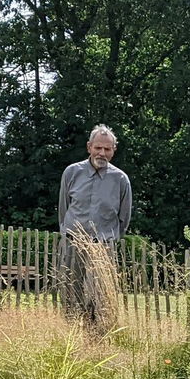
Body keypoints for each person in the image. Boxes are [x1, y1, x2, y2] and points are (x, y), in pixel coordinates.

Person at [57, 124, 133, 324]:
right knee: (70, 292)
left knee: (101, 296)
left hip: (103, 246)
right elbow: (64, 209)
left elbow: (124, 218)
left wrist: (108, 240)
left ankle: (98, 338)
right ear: (89, 147)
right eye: (98, 148)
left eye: (107, 149)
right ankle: (70, 335)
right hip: (73, 242)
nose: (102, 153)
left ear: (114, 150)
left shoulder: (121, 180)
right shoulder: (72, 173)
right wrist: (69, 233)